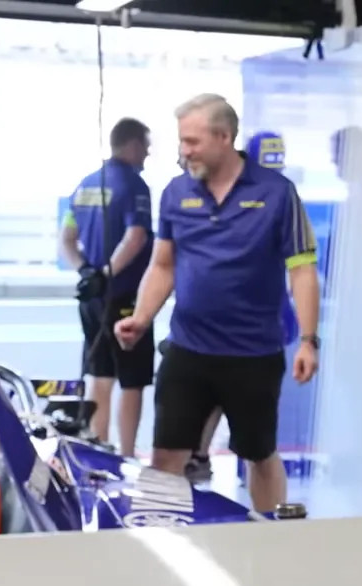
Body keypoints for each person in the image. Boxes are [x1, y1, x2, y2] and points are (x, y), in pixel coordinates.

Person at [115, 94, 320, 513]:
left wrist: (308, 339)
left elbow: (301, 269)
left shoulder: (277, 193)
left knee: (259, 454)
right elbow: (163, 265)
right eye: (181, 141)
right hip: (188, 350)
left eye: (192, 141)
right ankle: (164, 543)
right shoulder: (175, 194)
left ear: (224, 137)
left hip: (254, 354)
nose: (183, 151)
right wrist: (141, 317)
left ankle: (270, 537)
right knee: (166, 457)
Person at [182, 129, 300, 483]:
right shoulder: (267, 195)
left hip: (260, 321)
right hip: (245, 320)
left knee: (246, 413)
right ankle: (204, 456)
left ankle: (219, 460)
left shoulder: (274, 197)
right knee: (223, 396)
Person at [58, 117, 153, 457]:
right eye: (146, 145)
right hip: (126, 296)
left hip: (92, 297)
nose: (148, 153)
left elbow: (66, 239)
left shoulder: (84, 185)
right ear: (131, 144)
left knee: (99, 372)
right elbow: (137, 236)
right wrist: (108, 272)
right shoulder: (133, 186)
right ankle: (127, 455)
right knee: (132, 379)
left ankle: (99, 451)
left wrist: (87, 271)